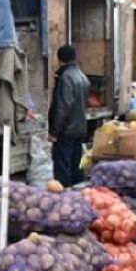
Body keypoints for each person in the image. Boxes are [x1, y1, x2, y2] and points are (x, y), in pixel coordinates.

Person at [47, 45, 89, 187]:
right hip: (79, 128)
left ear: (60, 60)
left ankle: (64, 199)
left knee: (62, 167)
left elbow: (62, 107)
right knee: (76, 165)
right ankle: (78, 196)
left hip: (66, 130)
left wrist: (54, 132)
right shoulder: (82, 76)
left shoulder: (66, 78)